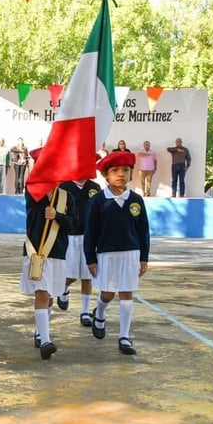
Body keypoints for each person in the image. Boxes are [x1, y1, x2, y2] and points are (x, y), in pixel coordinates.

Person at [84, 151, 150, 355]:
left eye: (125, 170)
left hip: (130, 254)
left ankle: (124, 336)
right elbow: (90, 231)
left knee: (126, 293)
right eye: (115, 170)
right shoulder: (98, 201)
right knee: (108, 293)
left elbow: (143, 231)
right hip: (106, 254)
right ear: (106, 175)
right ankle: (100, 313)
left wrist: (143, 257)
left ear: (131, 173)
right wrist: (91, 258)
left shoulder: (136, 200)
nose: (120, 174)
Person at [19, 148, 77, 360]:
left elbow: (74, 224)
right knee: (42, 293)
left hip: (58, 252)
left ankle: (40, 330)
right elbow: (34, 208)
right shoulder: (34, 191)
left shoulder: (67, 196)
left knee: (50, 295)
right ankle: (45, 341)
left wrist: (58, 216)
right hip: (38, 251)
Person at [58, 178, 101, 326]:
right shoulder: (65, 186)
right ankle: (63, 288)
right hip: (70, 235)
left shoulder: (94, 187)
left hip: (89, 236)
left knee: (87, 275)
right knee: (71, 273)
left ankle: (85, 311)